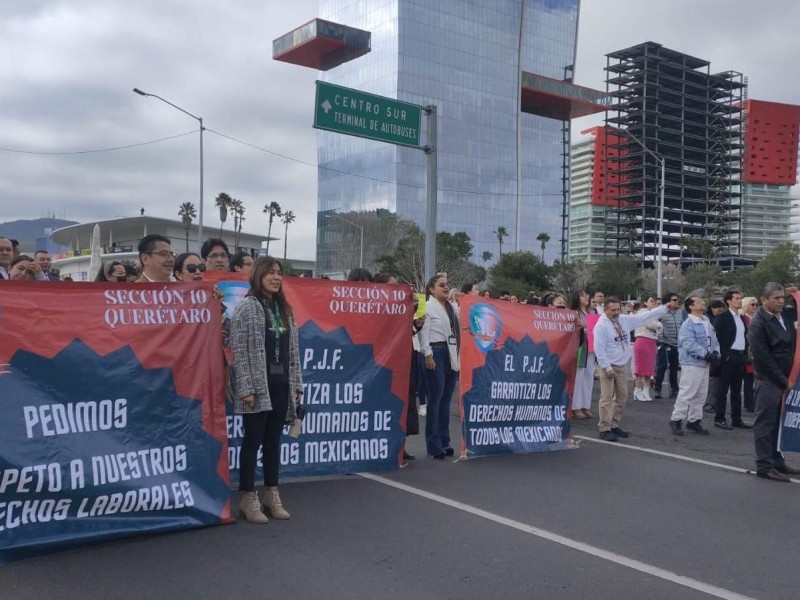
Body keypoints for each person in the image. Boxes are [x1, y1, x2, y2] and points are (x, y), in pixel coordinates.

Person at [231, 256, 304, 520]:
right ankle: (248, 498)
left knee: (273, 442)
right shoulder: (246, 308)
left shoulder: (285, 308)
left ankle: (271, 494)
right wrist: (247, 388)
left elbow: (292, 350)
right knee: (252, 442)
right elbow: (239, 350)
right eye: (270, 273)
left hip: (282, 384)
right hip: (257, 388)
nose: (276, 277)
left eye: (279, 273)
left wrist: (296, 384)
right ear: (258, 275)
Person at [593, 296, 669, 441]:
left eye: (618, 309)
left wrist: (664, 308)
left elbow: (645, 316)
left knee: (622, 397)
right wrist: (607, 367)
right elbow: (599, 349)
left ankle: (614, 424)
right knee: (606, 398)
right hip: (608, 366)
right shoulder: (601, 326)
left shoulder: (623, 320)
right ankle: (604, 428)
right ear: (606, 310)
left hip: (621, 365)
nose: (616, 312)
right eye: (613, 310)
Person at [748, 282, 800, 482]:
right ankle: (764, 464)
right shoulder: (758, 324)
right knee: (766, 422)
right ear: (764, 300)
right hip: (769, 381)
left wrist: (795, 295)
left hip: (787, 378)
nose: (780, 302)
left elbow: (797, 310)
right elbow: (763, 359)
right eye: (775, 298)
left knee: (780, 422)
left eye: (782, 298)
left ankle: (777, 459)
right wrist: (783, 381)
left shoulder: (785, 316)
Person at [418, 273, 460, 458]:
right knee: (435, 398)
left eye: (446, 284)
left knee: (445, 400)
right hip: (436, 351)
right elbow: (423, 333)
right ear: (431, 289)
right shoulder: (427, 307)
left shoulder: (451, 308)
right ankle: (433, 445)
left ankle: (445, 440)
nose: (445, 287)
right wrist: (427, 354)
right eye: (441, 285)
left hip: (450, 351)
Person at [669, 296, 719, 436]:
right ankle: (676, 419)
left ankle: (694, 420)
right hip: (692, 362)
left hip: (704, 363)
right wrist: (705, 353)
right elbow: (688, 343)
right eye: (698, 301)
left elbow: (714, 339)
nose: (702, 302)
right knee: (687, 392)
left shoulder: (706, 321)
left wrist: (715, 352)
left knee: (701, 394)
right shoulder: (688, 324)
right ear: (690, 307)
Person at [713, 290, 752, 430]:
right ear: (729, 301)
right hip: (728, 356)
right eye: (736, 298)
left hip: (740, 356)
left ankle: (736, 419)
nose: (739, 300)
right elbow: (716, 337)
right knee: (723, 389)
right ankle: (719, 418)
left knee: (736, 390)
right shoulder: (723, 317)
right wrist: (725, 355)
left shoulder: (741, 318)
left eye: (740, 298)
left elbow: (744, 337)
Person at [568, 290, 594, 420]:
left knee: (588, 377)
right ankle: (575, 406)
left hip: (591, 348)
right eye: (583, 295)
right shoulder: (574, 313)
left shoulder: (592, 313)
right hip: (580, 348)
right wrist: (584, 329)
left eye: (587, 295)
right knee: (578, 377)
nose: (586, 297)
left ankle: (585, 405)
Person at [654, 292, 684, 400]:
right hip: (665, 343)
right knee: (662, 367)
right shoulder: (661, 312)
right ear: (668, 301)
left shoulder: (680, 312)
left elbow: (682, 324)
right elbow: (656, 325)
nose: (677, 302)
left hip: (677, 343)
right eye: (674, 300)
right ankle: (657, 388)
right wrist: (661, 338)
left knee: (674, 368)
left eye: (677, 300)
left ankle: (674, 389)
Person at [633, 296, 662, 402]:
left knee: (649, 369)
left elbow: (658, 327)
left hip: (652, 342)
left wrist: (657, 325)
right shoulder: (642, 312)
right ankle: (637, 390)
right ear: (645, 302)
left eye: (654, 301)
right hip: (642, 340)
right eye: (651, 301)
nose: (654, 303)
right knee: (640, 369)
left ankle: (646, 390)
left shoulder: (653, 314)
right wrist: (657, 325)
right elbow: (650, 324)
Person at [740, 296, 758, 412]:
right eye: (752, 305)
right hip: (748, 353)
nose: (755, 307)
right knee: (748, 380)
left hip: (755, 352)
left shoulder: (754, 319)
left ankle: (752, 402)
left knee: (753, 380)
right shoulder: (743, 319)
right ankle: (749, 403)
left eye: (756, 304)